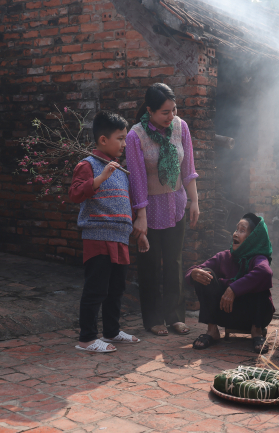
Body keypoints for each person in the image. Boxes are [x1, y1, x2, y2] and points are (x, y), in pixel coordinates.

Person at [126, 83, 200, 337]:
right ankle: (153, 319)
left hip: (176, 206)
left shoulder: (181, 127)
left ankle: (174, 317)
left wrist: (194, 201)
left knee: (174, 263)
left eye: (174, 110)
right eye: (165, 112)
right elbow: (136, 180)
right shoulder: (135, 136)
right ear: (150, 111)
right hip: (149, 209)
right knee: (148, 266)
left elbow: (188, 168)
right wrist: (141, 217)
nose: (171, 117)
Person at [69, 111, 140, 353]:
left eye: (125, 138)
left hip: (120, 238)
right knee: (96, 289)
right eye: (120, 138)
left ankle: (111, 331)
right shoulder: (87, 165)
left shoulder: (119, 169)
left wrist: (137, 230)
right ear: (102, 140)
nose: (124, 143)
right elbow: (76, 194)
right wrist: (100, 177)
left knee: (116, 289)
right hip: (98, 237)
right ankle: (87, 339)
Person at [185, 213, 274, 353]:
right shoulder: (224, 256)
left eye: (242, 230)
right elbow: (195, 270)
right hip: (226, 314)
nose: (235, 234)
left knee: (260, 279)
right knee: (204, 273)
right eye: (236, 229)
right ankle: (212, 331)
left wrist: (233, 288)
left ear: (252, 238)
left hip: (253, 318)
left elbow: (265, 272)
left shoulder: (258, 257)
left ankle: (256, 332)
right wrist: (193, 273)